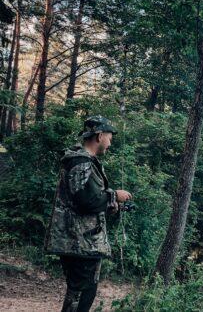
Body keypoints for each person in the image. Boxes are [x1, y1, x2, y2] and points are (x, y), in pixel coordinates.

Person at [44, 115, 132, 312]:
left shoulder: (84, 161)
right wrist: (114, 196)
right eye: (109, 137)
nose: (110, 142)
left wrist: (110, 203)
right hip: (79, 242)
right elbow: (85, 201)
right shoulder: (80, 162)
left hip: (83, 241)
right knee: (81, 293)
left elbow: (86, 198)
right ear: (99, 136)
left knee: (82, 291)